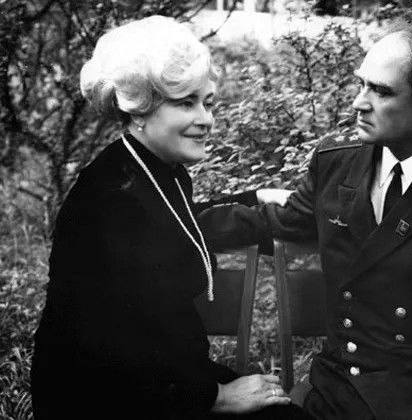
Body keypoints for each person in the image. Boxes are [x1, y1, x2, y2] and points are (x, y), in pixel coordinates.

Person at [204, 24, 412, 419]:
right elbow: (276, 220)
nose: (358, 103)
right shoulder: (335, 166)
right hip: (339, 392)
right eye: (361, 85)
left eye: (381, 92)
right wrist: (172, 216)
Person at [31, 16, 311, 420]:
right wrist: (216, 397)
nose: (206, 119)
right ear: (138, 108)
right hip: (107, 399)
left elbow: (177, 222)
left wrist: (255, 198)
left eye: (207, 103)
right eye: (185, 103)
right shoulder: (111, 201)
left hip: (164, 381)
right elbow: (106, 348)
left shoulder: (152, 170)